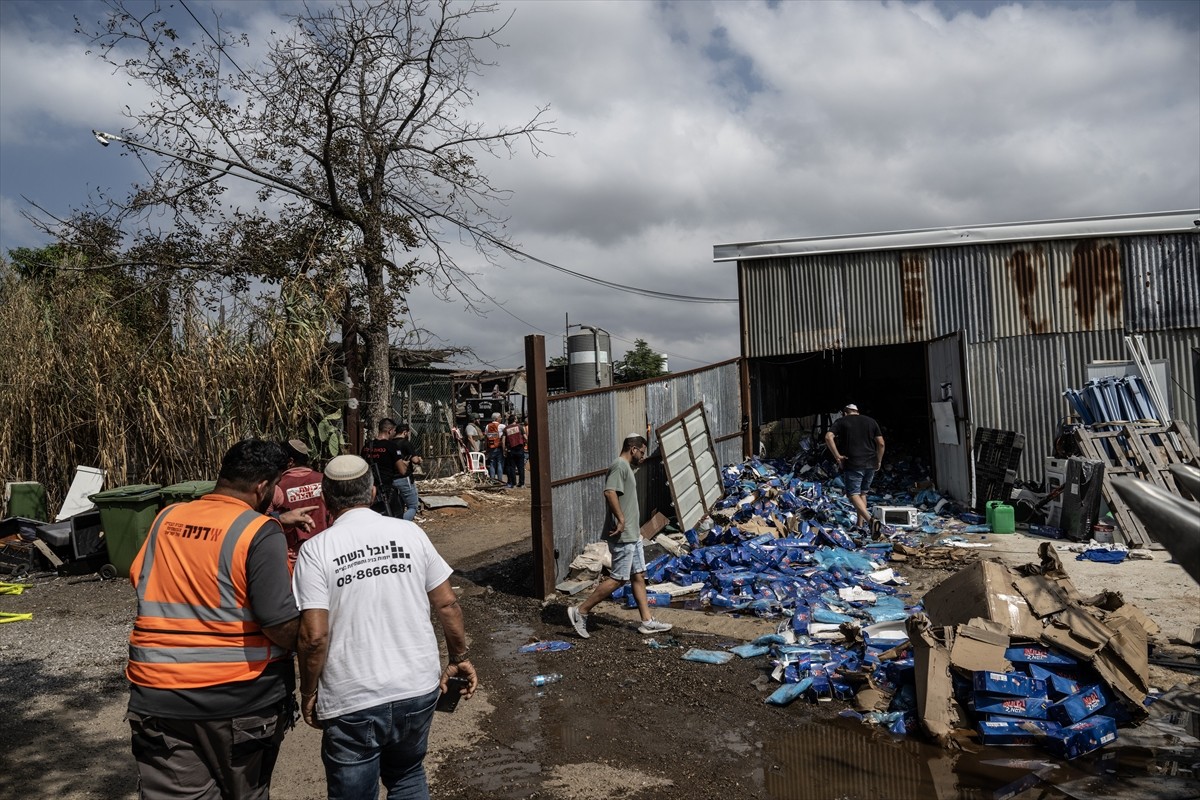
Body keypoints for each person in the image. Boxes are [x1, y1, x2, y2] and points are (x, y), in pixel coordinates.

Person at [125, 439, 314, 800]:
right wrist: (309, 642)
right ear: (263, 487)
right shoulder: (259, 532)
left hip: (158, 695)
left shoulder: (167, 518)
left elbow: (143, 577)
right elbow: (277, 621)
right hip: (238, 698)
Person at [294, 455, 477, 800]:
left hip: (352, 700)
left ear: (325, 498)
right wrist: (458, 657)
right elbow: (448, 604)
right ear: (374, 491)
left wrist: (308, 691)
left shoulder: (316, 550)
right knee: (408, 776)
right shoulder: (409, 532)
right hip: (416, 690)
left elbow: (313, 636)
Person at [567, 434, 673, 639]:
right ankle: (580, 611)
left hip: (633, 534)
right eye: (641, 452)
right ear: (633, 449)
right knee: (618, 579)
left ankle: (647, 622)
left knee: (638, 575)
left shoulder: (627, 469)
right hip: (624, 534)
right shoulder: (619, 466)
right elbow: (609, 492)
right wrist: (621, 519)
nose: (642, 457)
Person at [824, 403, 886, 530]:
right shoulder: (871, 421)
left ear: (844, 412)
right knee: (863, 493)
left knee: (853, 494)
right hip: (871, 463)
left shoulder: (842, 421)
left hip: (853, 463)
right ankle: (860, 524)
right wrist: (878, 460)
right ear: (857, 411)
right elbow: (881, 444)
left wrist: (837, 456)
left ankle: (870, 521)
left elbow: (828, 437)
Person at [272, 438, 330, 569]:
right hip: (324, 550)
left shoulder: (277, 486)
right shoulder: (323, 480)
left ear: (290, 462)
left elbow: (265, 519)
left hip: (293, 558)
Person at [361, 418, 402, 517]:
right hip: (387, 490)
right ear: (390, 431)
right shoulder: (391, 446)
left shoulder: (367, 446)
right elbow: (402, 470)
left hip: (370, 489)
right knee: (395, 516)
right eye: (394, 431)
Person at [392, 421, 423, 522]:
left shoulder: (389, 443)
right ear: (405, 432)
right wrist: (419, 460)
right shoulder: (406, 443)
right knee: (413, 506)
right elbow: (414, 460)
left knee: (399, 504)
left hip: (391, 478)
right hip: (404, 478)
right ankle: (402, 525)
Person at [502, 414, 527, 488]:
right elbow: (525, 437)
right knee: (521, 467)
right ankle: (522, 483)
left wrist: (504, 450)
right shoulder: (520, 427)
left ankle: (513, 483)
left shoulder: (506, 429)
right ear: (514, 420)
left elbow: (503, 441)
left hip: (511, 450)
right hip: (520, 449)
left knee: (511, 467)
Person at [484, 412, 505, 483]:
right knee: (499, 463)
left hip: (491, 447)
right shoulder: (502, 426)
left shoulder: (487, 426)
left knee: (492, 463)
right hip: (499, 447)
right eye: (500, 417)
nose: (501, 418)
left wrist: (486, 448)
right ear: (497, 418)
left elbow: (486, 438)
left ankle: (492, 479)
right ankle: (499, 480)